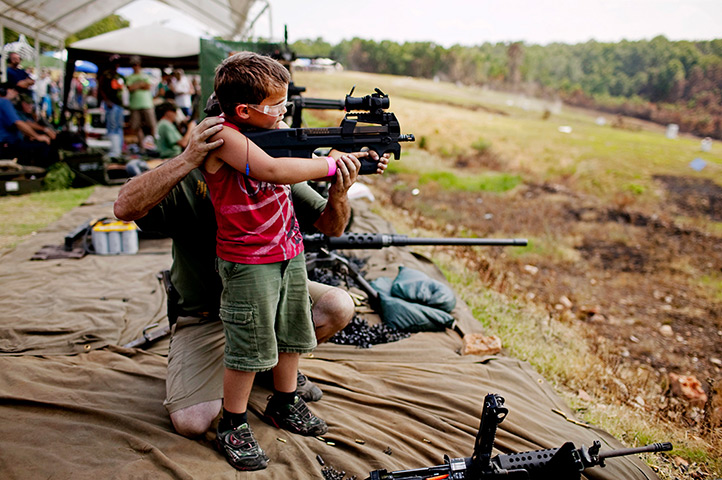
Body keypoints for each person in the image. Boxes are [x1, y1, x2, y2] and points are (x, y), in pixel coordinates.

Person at [114, 109, 387, 470]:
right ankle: (244, 373)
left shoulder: (276, 162)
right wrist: (186, 158)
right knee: (193, 422)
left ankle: (270, 373)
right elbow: (124, 207)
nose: (282, 121)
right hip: (206, 314)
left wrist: (340, 189)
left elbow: (331, 226)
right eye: (274, 113)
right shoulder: (192, 173)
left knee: (337, 305)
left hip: (272, 289)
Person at [0, 83, 53, 167]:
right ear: (3, 91)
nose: (16, 93)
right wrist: (37, 136)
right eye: (13, 90)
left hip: (9, 144)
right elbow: (18, 123)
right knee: (43, 146)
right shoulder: (4, 102)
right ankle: (39, 175)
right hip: (6, 145)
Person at [126, 56, 156, 153]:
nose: (136, 66)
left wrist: (136, 85)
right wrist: (140, 84)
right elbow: (130, 88)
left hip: (147, 104)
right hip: (135, 105)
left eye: (137, 64)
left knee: (151, 125)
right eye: (134, 65)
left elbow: (147, 86)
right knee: (136, 126)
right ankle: (142, 147)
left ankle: (154, 145)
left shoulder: (145, 75)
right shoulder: (130, 77)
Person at [98, 55, 125, 158]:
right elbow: (101, 88)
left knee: (118, 127)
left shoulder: (119, 76)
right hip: (111, 104)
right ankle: (115, 151)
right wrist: (107, 100)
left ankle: (119, 150)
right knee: (113, 127)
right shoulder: (106, 75)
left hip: (119, 104)